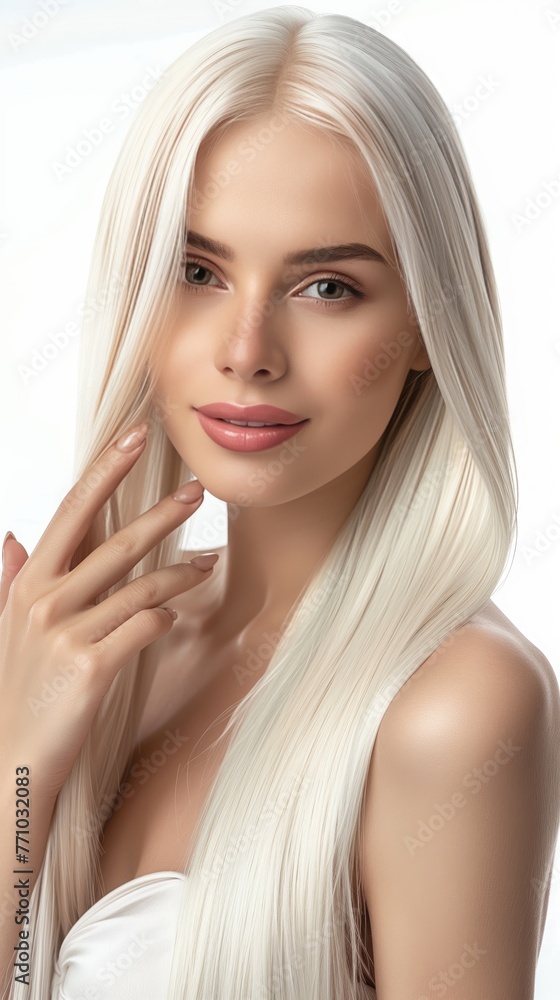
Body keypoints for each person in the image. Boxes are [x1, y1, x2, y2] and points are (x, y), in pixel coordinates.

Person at [1, 6, 559, 998]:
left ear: (430, 320)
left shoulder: (452, 707)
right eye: (198, 271)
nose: (246, 348)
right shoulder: (99, 653)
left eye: (326, 287)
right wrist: (18, 761)